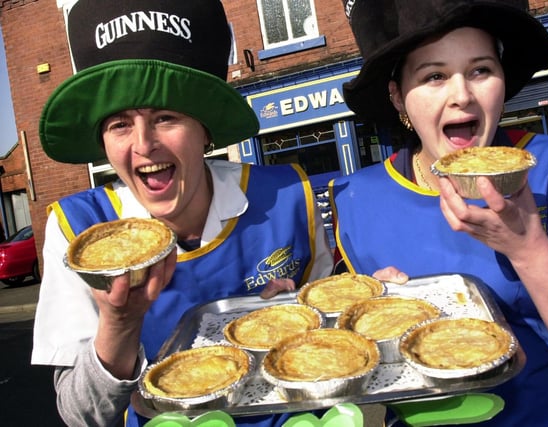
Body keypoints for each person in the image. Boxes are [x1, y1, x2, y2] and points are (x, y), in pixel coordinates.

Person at [331, 0, 548, 425]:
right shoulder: (353, 202)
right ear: (398, 96)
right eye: (434, 76)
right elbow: (341, 351)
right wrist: (373, 312)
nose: (462, 96)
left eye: (481, 70)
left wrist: (529, 249)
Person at [31, 1, 333, 426]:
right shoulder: (79, 232)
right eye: (119, 124)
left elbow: (332, 339)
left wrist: (297, 317)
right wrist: (120, 323)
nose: (143, 144)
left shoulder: (286, 197)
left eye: (166, 118)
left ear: (205, 130)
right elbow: (81, 415)